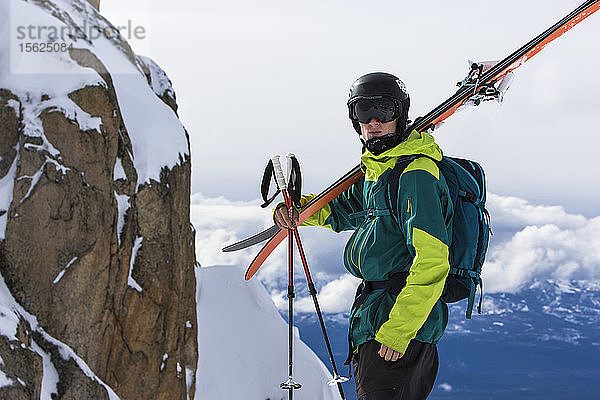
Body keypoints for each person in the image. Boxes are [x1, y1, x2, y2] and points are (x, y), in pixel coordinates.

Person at [274, 72, 453, 400]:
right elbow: (340, 210)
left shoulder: (414, 175)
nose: (372, 122)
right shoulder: (379, 173)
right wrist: (296, 211)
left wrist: (398, 332)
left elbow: (432, 260)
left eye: (382, 111)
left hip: (398, 326)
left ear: (400, 115)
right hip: (375, 319)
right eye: (361, 112)